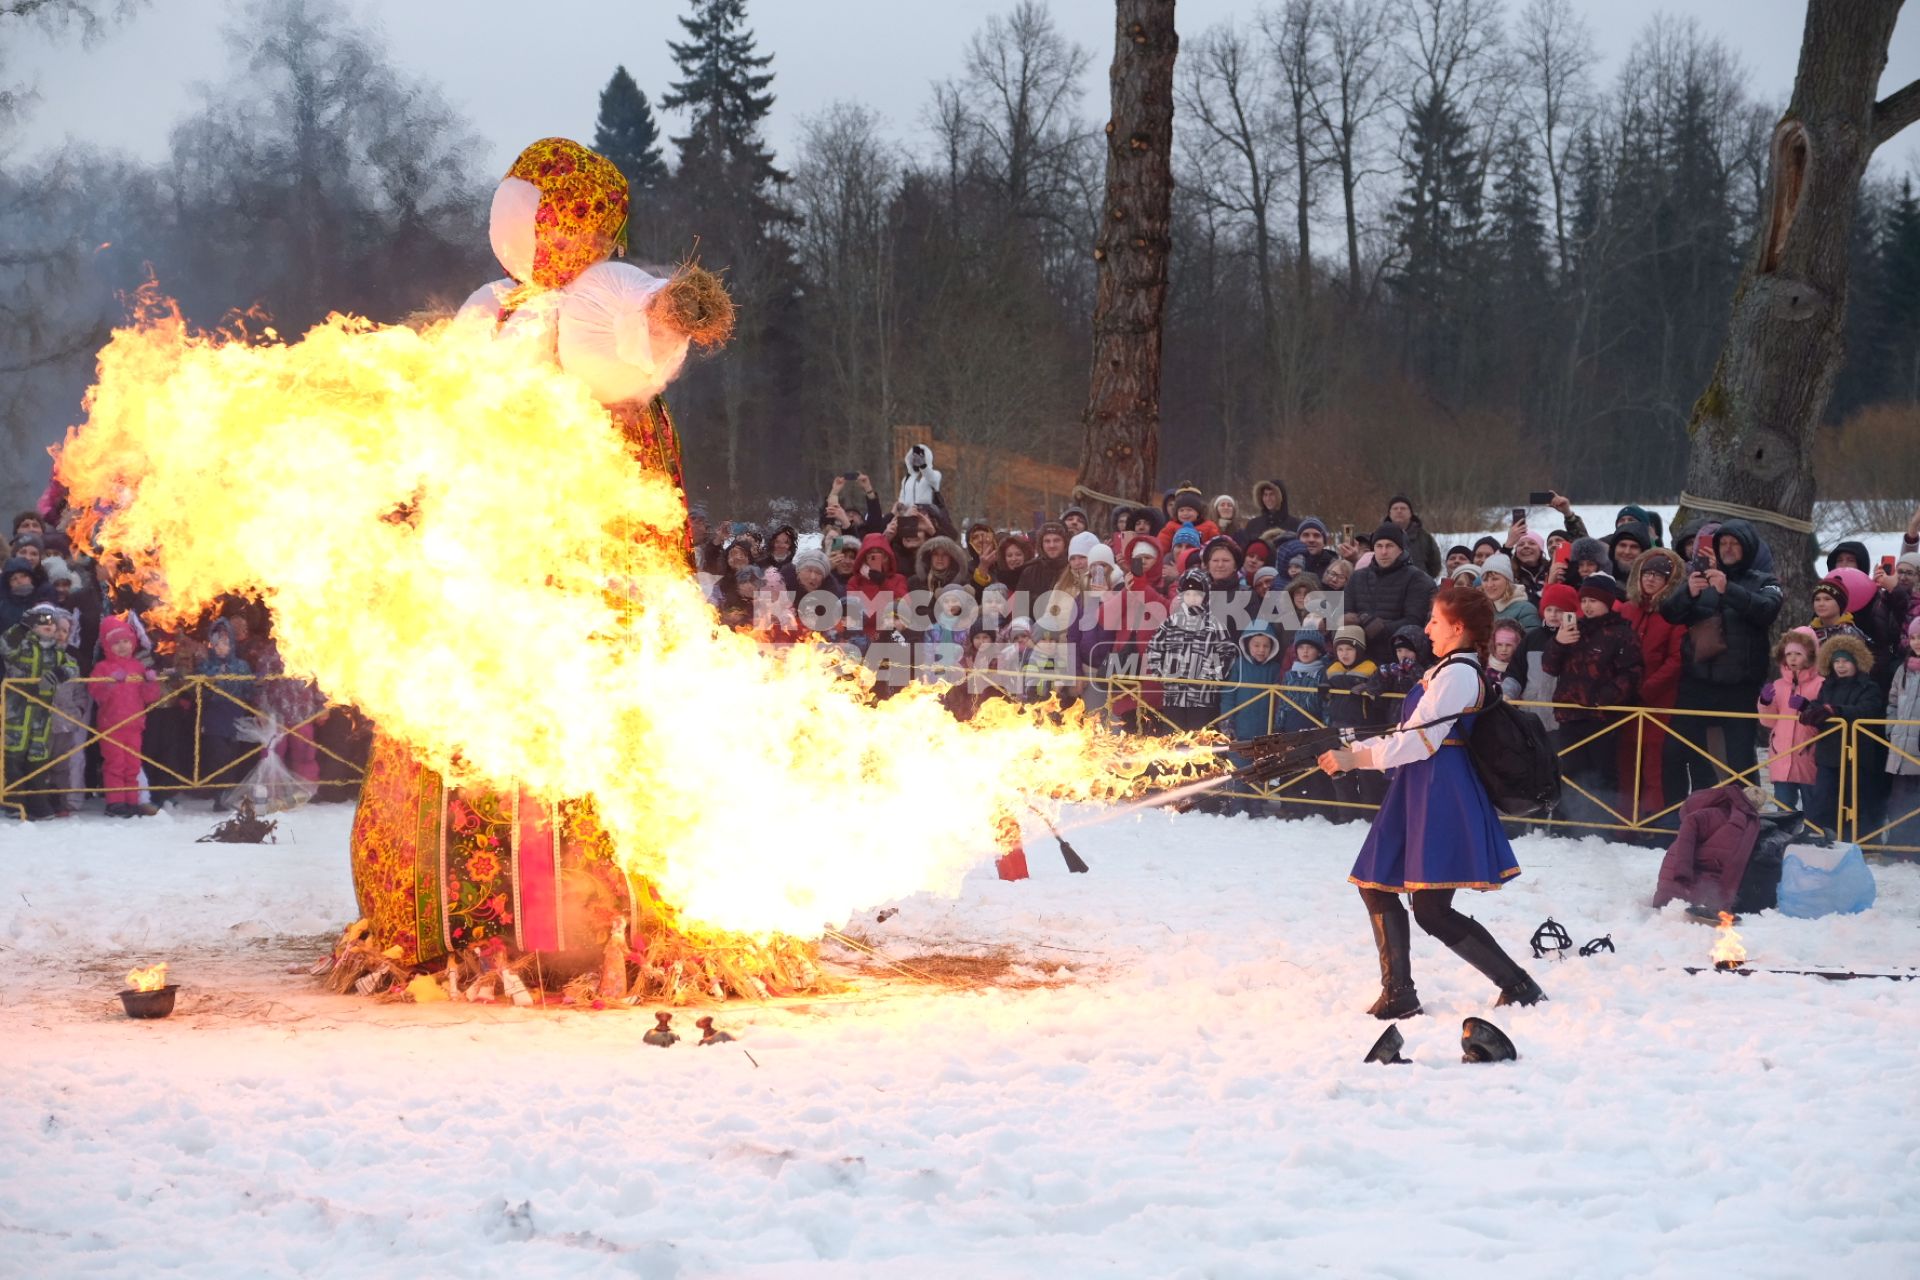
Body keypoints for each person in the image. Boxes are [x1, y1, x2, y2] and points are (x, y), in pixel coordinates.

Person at [1320, 585, 1544, 1018]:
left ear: (1458, 628)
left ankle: (1515, 984)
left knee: (1430, 909)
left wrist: (1358, 757)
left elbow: (1422, 741)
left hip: (1441, 791)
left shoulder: (1459, 673)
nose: (1427, 629)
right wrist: (1356, 751)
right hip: (1421, 787)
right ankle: (1401, 991)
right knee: (1378, 884)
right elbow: (1410, 735)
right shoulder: (1447, 671)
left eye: (1436, 622)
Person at [1659, 518, 1783, 799]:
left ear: (1747, 547)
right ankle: (1673, 818)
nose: (1727, 549)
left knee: (1740, 759)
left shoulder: (1764, 580)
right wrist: (1688, 592)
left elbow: (1766, 610)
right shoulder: (1699, 579)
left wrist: (1729, 589)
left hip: (1740, 685)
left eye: (1734, 544)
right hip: (1697, 683)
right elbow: (1669, 613)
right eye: (1723, 543)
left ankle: (1749, 819)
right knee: (1676, 749)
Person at [1542, 573, 1643, 826]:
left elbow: (1631, 673)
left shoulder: (1622, 634)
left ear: (1608, 602)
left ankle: (1603, 825)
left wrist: (1603, 699)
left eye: (1594, 600)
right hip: (1570, 715)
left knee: (1603, 773)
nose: (1587, 606)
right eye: (1584, 600)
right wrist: (1558, 642)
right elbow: (1549, 667)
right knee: (1569, 772)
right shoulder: (1573, 629)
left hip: (1602, 717)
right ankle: (1565, 825)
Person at [1620, 549, 1686, 820]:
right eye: (1647, 573)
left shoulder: (1673, 614)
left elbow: (1676, 659)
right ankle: (1623, 820)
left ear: (1668, 582)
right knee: (1625, 763)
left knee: (1653, 766)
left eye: (1658, 576)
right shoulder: (1626, 609)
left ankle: (1652, 820)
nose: (1650, 580)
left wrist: (1647, 689)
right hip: (1624, 701)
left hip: (1657, 704)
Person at [1801, 635, 1884, 837]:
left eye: (1846, 660)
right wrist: (1810, 712)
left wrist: (1836, 711)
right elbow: (1819, 705)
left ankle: (1862, 843)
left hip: (1857, 755)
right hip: (1829, 754)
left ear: (1857, 662)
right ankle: (1815, 838)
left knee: (1857, 801)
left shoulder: (1869, 686)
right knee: (1821, 800)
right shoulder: (1828, 685)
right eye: (1836, 661)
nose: (1841, 666)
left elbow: (1867, 709)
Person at [4, 603, 80, 819]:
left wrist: (58, 674)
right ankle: (13, 802)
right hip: (16, 713)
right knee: (14, 757)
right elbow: (6, 647)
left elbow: (73, 667)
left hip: (41, 715)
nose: (48, 625)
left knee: (38, 759)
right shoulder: (22, 644)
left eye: (52, 622)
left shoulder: (57, 652)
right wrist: (21, 627)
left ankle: (38, 804)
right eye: (42, 621)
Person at [90, 614, 166, 817]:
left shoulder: (137, 666)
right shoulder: (102, 667)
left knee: (132, 765)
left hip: (134, 725)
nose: (122, 646)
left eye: (126, 641)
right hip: (111, 725)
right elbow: (96, 693)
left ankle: (131, 801)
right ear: (107, 645)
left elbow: (150, 697)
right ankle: (115, 802)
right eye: (116, 643)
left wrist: (151, 682)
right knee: (115, 764)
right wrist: (109, 682)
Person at [1145, 569, 1236, 731]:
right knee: (1173, 740)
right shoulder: (1170, 623)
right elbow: (1154, 647)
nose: (1192, 599)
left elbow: (1227, 653)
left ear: (1205, 595)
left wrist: (1213, 676)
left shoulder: (1215, 624)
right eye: (1188, 594)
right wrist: (1161, 673)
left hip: (1203, 698)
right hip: (1173, 696)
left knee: (1198, 742)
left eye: (1197, 594)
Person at [1346, 524, 1435, 669]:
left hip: (1398, 660)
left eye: (1389, 546)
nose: (1383, 551)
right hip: (1358, 658)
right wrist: (1351, 622)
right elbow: (1343, 613)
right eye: (1379, 546)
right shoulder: (1357, 577)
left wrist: (1381, 628)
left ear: (1401, 549)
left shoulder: (1418, 579)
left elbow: (1415, 621)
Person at [1758, 628, 1823, 814]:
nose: (1792, 659)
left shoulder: (1820, 683)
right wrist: (1765, 702)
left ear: (1811, 655)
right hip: (1781, 753)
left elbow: (1825, 718)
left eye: (1798, 654)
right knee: (1784, 806)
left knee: (1813, 805)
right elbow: (1768, 721)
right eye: (1788, 654)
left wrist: (1807, 706)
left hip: (1809, 753)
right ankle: (1785, 838)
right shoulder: (1778, 685)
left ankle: (1813, 835)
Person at [1884, 617, 1920, 847]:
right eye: (1914, 637)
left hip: (1918, 748)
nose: (1917, 642)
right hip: (1900, 746)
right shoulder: (1903, 669)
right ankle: (1898, 846)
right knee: (1899, 800)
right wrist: (1892, 729)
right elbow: (1893, 703)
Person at [1382, 496, 1442, 580]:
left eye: (1403, 508)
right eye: (1395, 508)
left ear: (1411, 513)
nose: (1399, 511)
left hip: (1419, 587)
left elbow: (1435, 564)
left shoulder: (1424, 537)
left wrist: (1425, 579)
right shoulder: (1379, 537)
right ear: (1389, 513)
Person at [1477, 554, 1540, 632]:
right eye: (1485, 580)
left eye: (1495, 579)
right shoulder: (1481, 609)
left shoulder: (1525, 609)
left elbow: (1533, 641)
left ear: (1508, 581)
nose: (1489, 585)